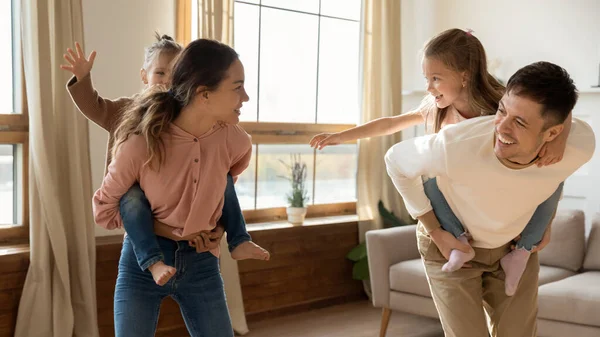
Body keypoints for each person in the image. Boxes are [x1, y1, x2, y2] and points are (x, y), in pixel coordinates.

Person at [311, 28, 569, 295]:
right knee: (428, 180)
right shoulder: (436, 108)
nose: (428, 87)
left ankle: (523, 249)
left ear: (464, 75)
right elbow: (390, 124)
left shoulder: (499, 103)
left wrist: (558, 142)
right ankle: (457, 242)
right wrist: (342, 136)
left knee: (554, 176)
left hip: (498, 188)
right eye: (426, 78)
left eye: (435, 78)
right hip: (461, 194)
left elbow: (558, 105)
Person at [385, 61, 595, 336]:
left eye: (519, 122)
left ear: (553, 132)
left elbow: (555, 172)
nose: (502, 128)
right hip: (450, 244)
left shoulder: (578, 145)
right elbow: (395, 161)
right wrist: (436, 232)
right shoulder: (456, 144)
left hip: (513, 246)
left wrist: (547, 220)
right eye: (502, 111)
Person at [62, 33, 268, 287]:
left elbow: (220, 170)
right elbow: (95, 106)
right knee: (133, 197)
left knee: (223, 180)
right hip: (137, 198)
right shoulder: (129, 110)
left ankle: (239, 238)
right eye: (160, 73)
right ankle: (152, 260)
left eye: (173, 74)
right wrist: (83, 80)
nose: (166, 81)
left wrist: (214, 219)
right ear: (144, 76)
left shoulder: (191, 120)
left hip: (180, 211)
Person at [92, 38, 257, 337]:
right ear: (203, 94)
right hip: (142, 264)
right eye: (237, 87)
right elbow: (105, 207)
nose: (246, 97)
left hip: (202, 262)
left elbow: (222, 185)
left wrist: (216, 226)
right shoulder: (141, 141)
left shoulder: (235, 140)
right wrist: (151, 225)